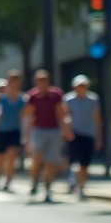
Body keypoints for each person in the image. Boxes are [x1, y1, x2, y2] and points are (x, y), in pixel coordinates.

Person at [22, 69, 73, 202]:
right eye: (39, 80)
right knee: (37, 157)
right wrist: (27, 137)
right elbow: (28, 116)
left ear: (48, 81)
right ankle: (34, 181)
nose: (42, 82)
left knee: (51, 162)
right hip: (38, 130)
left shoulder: (56, 94)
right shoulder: (32, 96)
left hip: (54, 131)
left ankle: (47, 190)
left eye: (44, 80)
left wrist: (66, 127)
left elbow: (62, 112)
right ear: (36, 81)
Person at [62, 75, 102, 201]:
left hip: (89, 134)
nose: (81, 88)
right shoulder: (68, 99)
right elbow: (65, 115)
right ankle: (72, 181)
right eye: (79, 85)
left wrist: (99, 137)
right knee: (73, 160)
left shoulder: (93, 99)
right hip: (74, 134)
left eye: (84, 85)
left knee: (85, 163)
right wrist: (67, 130)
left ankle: (81, 187)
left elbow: (97, 118)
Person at [0, 70, 26, 191]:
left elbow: (23, 117)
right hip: (2, 131)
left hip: (15, 131)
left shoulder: (22, 99)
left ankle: (8, 181)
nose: (14, 82)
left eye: (16, 80)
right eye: (11, 80)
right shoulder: (0, 98)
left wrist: (26, 134)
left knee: (12, 156)